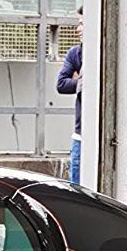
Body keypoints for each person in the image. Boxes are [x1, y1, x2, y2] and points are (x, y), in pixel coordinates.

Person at [55, 18, 85, 186]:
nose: (78, 29)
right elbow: (61, 84)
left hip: (97, 131)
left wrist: (78, 79)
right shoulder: (75, 53)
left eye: (82, 24)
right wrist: (83, 81)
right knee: (76, 185)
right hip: (80, 134)